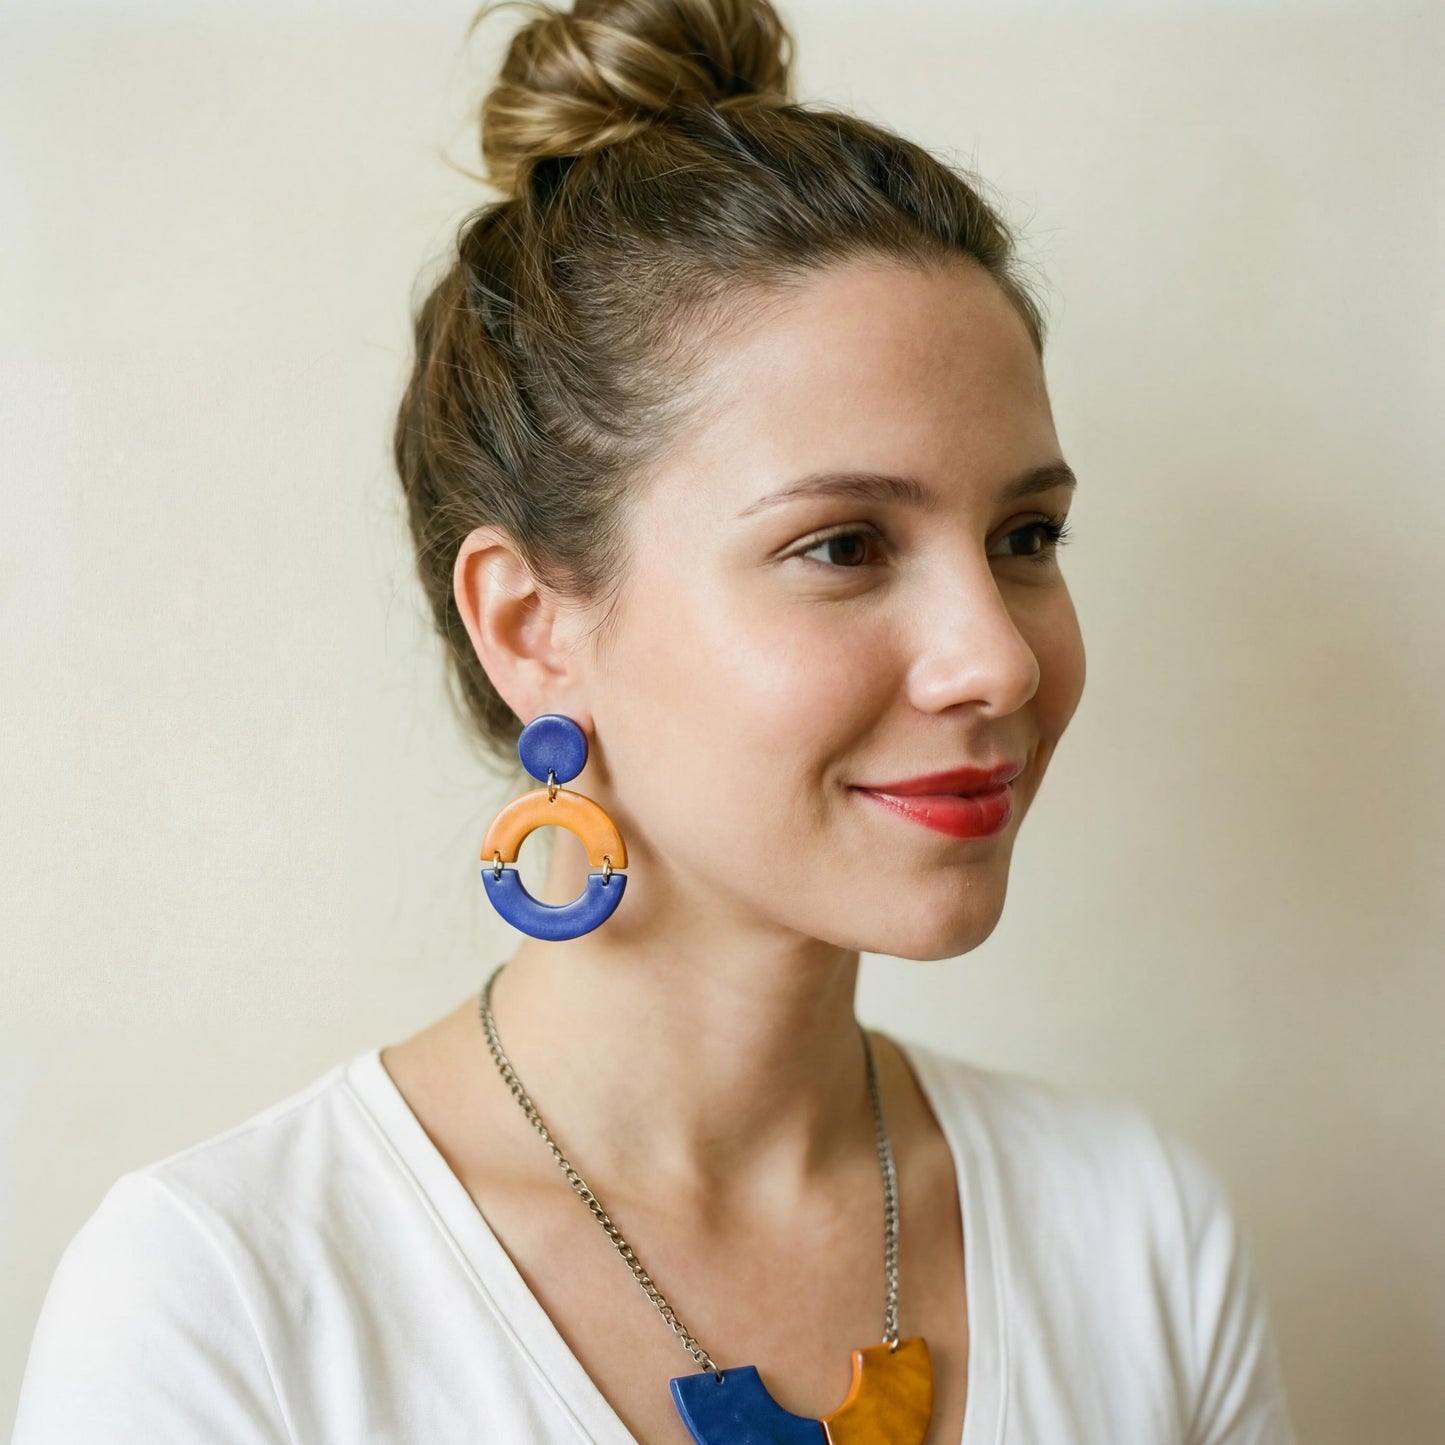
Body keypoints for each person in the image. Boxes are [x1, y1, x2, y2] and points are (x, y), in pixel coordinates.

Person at [12, 1, 1300, 1442]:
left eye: (1026, 536)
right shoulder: (227, 1304)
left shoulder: (1138, 1237)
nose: (997, 661)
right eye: (843, 545)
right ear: (530, 625)